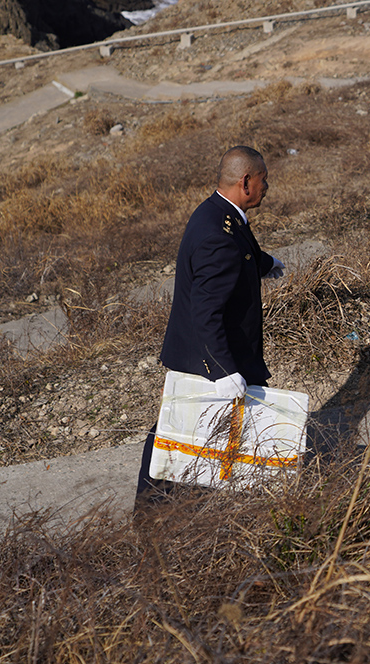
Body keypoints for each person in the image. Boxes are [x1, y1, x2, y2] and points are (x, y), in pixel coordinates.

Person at [135, 146, 285, 504]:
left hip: (201, 350)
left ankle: (171, 508)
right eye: (264, 180)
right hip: (210, 356)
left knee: (182, 431)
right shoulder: (219, 234)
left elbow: (239, 249)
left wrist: (263, 263)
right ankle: (159, 514)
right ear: (246, 181)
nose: (268, 187)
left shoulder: (217, 212)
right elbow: (206, 309)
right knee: (183, 435)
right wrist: (222, 370)